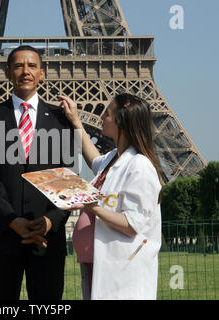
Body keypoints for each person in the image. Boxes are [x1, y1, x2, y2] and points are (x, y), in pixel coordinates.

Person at [0, 46, 75, 300]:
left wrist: (51, 220)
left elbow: (68, 177)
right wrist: (11, 219)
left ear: (42, 73)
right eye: (18, 66)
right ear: (7, 73)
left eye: (31, 66)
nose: (25, 71)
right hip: (2, 235)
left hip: (47, 237)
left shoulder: (62, 120)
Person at [58, 93, 163, 300]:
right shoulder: (113, 159)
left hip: (121, 272)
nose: (101, 118)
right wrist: (75, 120)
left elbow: (132, 224)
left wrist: (89, 204)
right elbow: (93, 158)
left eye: (106, 113)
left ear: (120, 121)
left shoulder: (140, 166)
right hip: (98, 265)